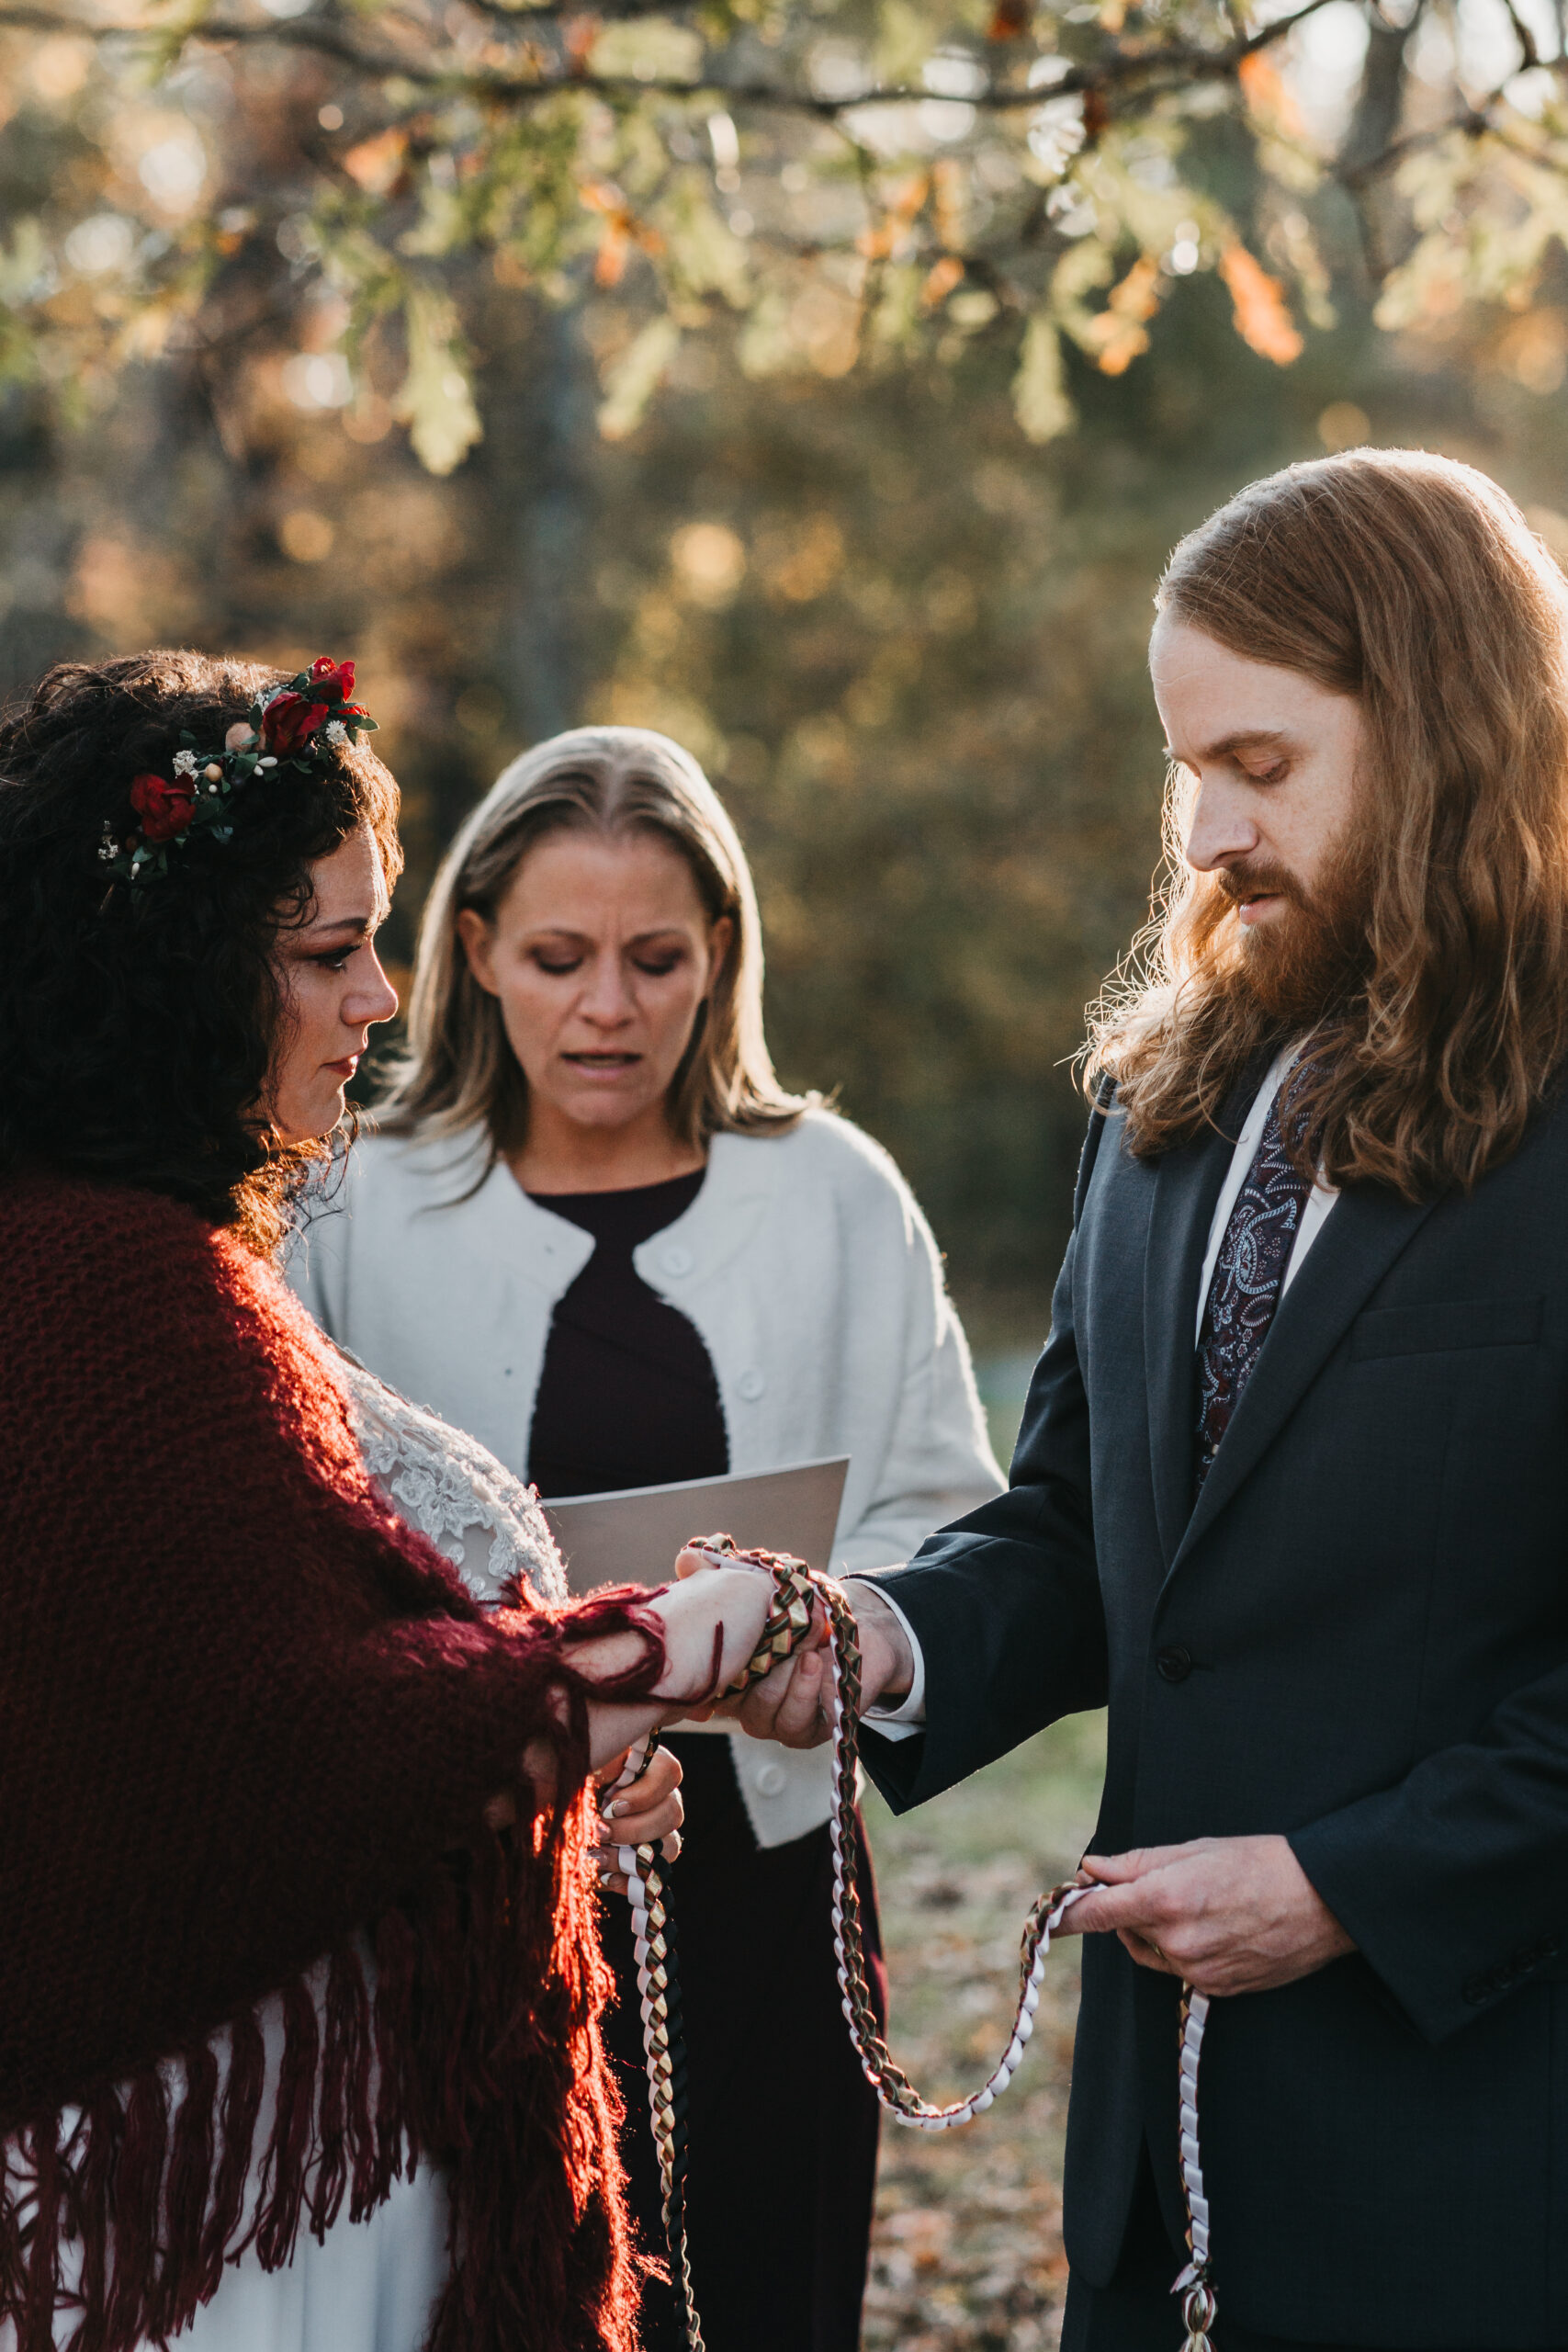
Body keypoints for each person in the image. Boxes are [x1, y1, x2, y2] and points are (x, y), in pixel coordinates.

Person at [734, 449, 1568, 2350]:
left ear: (1444, 723)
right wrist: (867, 1637)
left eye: (1258, 766)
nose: (1201, 831)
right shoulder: (1157, 1104)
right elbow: (1075, 1539)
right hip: (1155, 2186)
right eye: (1183, 766)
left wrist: (1349, 1886)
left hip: (1492, 2167)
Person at [0, 653, 779, 2352]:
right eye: (325, 950)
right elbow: (290, 1743)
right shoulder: (110, 1298)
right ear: (176, 972)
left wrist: (555, 1761)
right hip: (227, 2220)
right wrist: (673, 1644)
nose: (377, 996)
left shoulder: (148, 1254)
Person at [287, 724, 1002, 2352]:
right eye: (555, 956)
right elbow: (301, 1543)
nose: (604, 1007)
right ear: (469, 953)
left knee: (770, 2296)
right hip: (462, 1892)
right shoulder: (351, 1201)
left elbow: (943, 1512)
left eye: (653, 957)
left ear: (722, 957)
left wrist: (827, 1639)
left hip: (772, 1887)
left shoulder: (834, 1192)